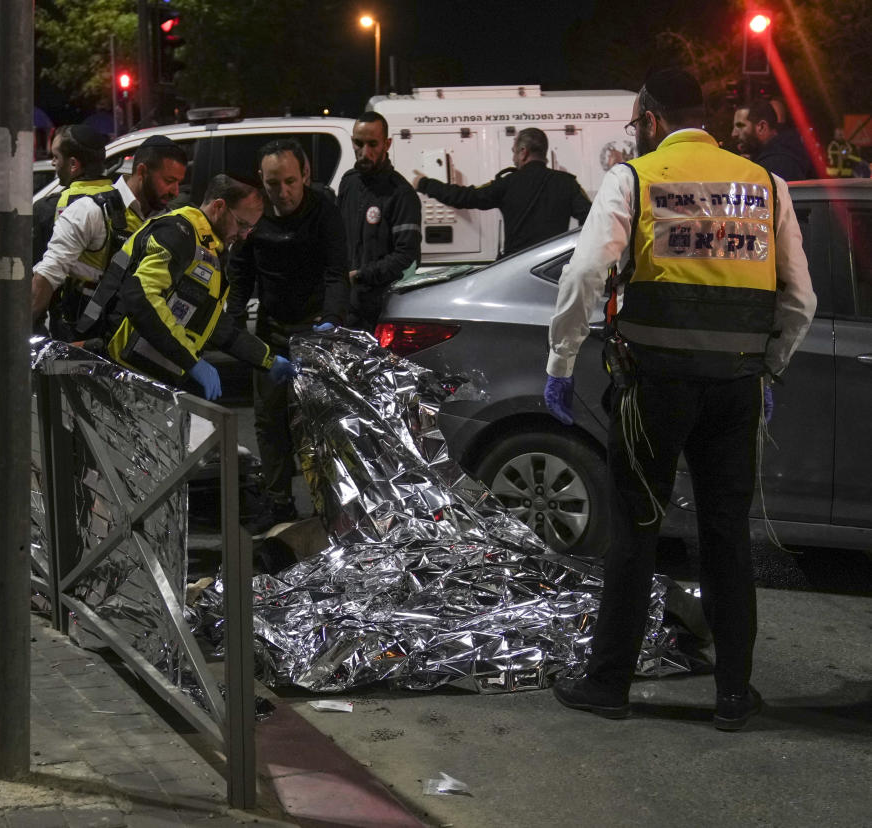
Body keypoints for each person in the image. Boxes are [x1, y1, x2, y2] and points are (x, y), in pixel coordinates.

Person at [545, 68, 816, 731]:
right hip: (735, 390)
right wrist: (768, 368)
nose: (637, 134)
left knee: (636, 532)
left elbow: (585, 272)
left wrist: (561, 359)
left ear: (656, 119)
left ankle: (608, 684)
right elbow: (800, 299)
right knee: (727, 538)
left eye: (638, 123)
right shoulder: (766, 186)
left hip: (653, 389)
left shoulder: (634, 180)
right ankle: (732, 695)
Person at [226, 139, 348, 533]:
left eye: (291, 182)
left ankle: (327, 505)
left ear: (306, 176)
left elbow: (336, 271)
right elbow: (241, 273)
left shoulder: (324, 212)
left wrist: (331, 321)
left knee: (318, 426)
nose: (283, 192)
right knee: (270, 423)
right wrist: (232, 316)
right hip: (272, 335)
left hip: (314, 334)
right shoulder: (255, 217)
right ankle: (279, 503)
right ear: (261, 180)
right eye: (274, 184)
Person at [99, 174, 296, 400]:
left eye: (249, 229)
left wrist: (266, 360)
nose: (243, 235)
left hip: (145, 376)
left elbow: (212, 323)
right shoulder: (178, 232)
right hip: (119, 373)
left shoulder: (207, 248)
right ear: (219, 206)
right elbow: (142, 296)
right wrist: (191, 362)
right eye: (241, 224)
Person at [31, 131, 187, 339]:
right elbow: (47, 276)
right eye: (169, 181)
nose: (175, 191)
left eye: (179, 182)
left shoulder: (167, 221)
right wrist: (20, 340)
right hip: (83, 341)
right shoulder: (90, 211)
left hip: (136, 342)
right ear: (142, 171)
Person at [411, 127, 591, 258]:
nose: (513, 158)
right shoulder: (567, 183)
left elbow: (465, 197)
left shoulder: (508, 183)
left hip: (516, 266)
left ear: (523, 152)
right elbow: (592, 220)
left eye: (514, 152)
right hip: (552, 266)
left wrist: (424, 183)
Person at [338, 112, 421, 331]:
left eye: (373, 144)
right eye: (358, 143)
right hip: (346, 307)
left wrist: (362, 276)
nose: (365, 152)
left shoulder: (401, 194)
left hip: (381, 311)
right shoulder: (349, 183)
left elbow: (406, 256)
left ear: (387, 144)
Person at [731, 99, 816, 181]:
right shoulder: (784, 155)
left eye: (740, 126)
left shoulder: (775, 166)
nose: (734, 134)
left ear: (762, 127)